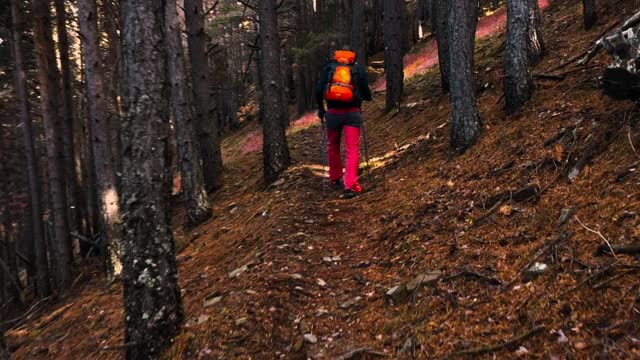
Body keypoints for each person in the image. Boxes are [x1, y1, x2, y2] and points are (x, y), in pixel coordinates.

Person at [316, 48, 373, 198]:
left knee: (333, 146)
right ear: (352, 59)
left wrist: (321, 109)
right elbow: (367, 93)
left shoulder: (329, 69)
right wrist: (365, 97)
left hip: (333, 114)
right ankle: (350, 186)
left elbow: (318, 90)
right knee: (352, 149)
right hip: (352, 114)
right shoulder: (358, 69)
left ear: (337, 58)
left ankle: (335, 179)